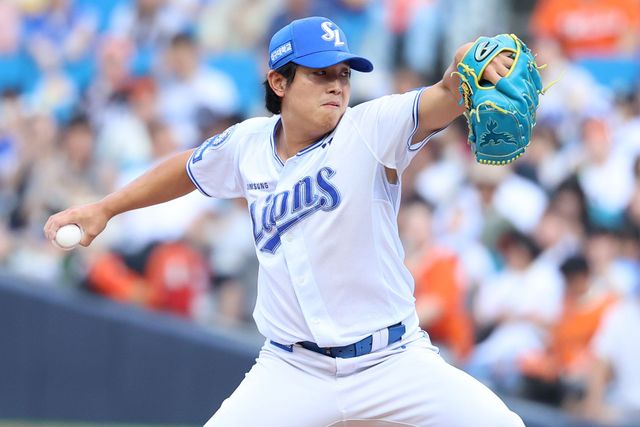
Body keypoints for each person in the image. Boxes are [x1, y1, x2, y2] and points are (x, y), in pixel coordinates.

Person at [45, 16, 525, 427]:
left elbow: (445, 93)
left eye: (343, 73)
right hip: (293, 370)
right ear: (279, 82)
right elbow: (187, 168)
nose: (337, 84)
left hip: (391, 361)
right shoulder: (247, 144)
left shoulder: (371, 128)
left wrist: (464, 68)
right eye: (320, 73)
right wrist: (105, 208)